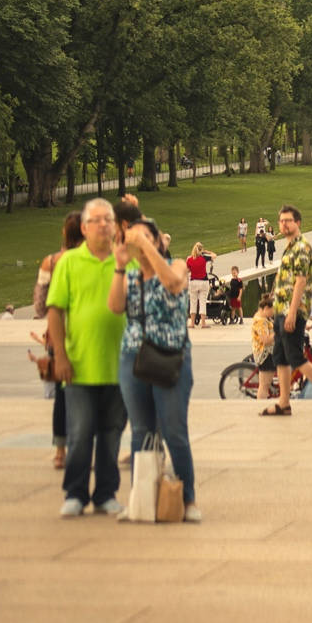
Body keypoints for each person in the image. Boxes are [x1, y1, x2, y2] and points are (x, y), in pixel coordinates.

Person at [108, 200, 199, 521]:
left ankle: (188, 500)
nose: (138, 241)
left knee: (174, 431)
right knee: (140, 431)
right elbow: (116, 307)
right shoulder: (130, 276)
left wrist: (147, 243)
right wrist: (120, 265)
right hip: (134, 356)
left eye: (147, 236)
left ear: (159, 241)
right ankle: (141, 500)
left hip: (172, 356)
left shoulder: (177, 267)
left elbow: (173, 285)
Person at [264, 206, 312, 417]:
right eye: (281, 221)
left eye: (288, 220)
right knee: (280, 357)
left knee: (294, 356)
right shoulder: (289, 247)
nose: (284, 224)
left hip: (291, 310)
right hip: (280, 309)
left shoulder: (301, 247)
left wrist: (292, 313)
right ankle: (284, 403)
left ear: (298, 223)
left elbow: (301, 281)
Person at [250, 293, 278, 401]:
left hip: (268, 353)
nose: (273, 313)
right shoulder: (261, 322)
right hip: (265, 355)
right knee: (264, 386)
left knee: (265, 385)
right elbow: (265, 340)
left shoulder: (262, 317)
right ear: (266, 308)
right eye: (273, 310)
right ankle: (261, 406)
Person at [184, 243, 213, 328]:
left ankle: (192, 323)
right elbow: (214, 255)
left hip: (193, 282)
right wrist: (206, 251)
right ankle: (203, 323)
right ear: (201, 250)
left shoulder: (189, 259)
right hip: (203, 282)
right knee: (202, 302)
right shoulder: (204, 258)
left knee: (193, 302)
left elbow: (187, 270)